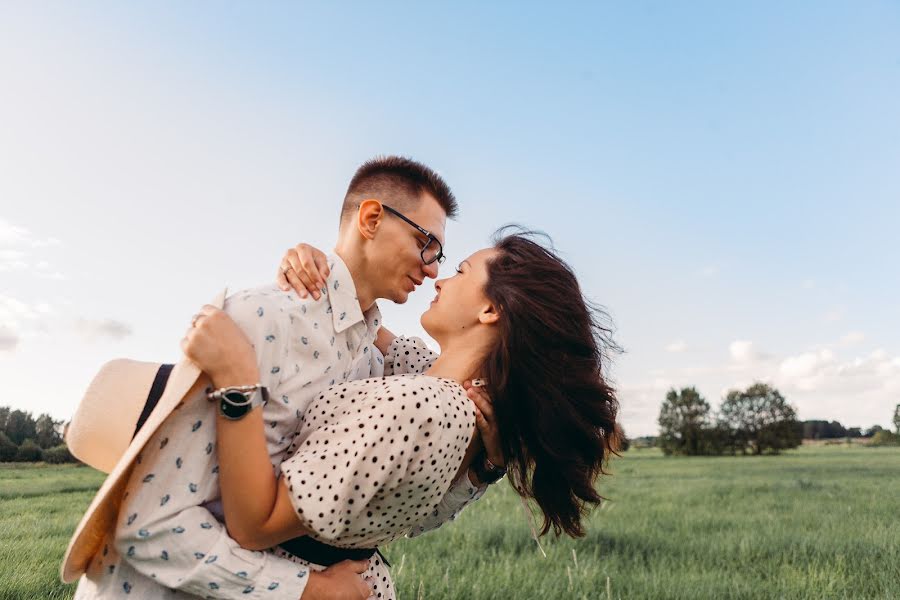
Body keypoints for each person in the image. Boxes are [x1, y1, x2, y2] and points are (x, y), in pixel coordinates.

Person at [72, 156, 502, 599]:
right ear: (371, 218)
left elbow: (400, 493)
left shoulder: (376, 364)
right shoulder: (263, 319)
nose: (432, 269)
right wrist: (309, 589)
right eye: (424, 242)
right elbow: (150, 523)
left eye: (440, 255)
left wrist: (486, 463)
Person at [183, 228, 623, 600]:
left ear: (490, 311)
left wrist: (237, 380)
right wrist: (319, 267)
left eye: (460, 272)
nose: (439, 281)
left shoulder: (423, 410)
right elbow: (364, 322)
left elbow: (254, 526)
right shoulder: (447, 390)